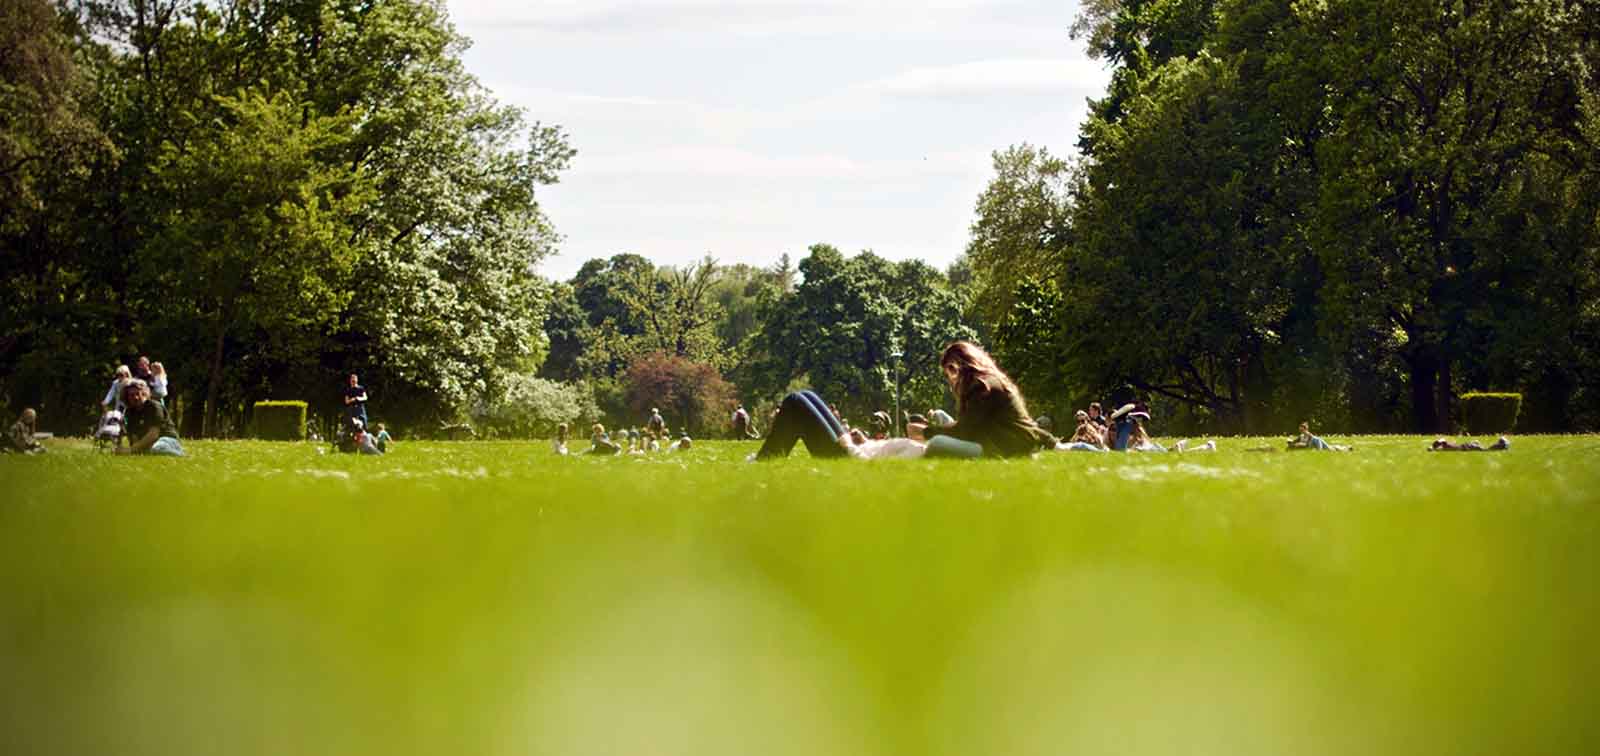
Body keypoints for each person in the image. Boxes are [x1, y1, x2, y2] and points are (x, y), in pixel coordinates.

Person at [905, 341, 1056, 459]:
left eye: (949, 374)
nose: (950, 381)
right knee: (939, 437)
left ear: (958, 368)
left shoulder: (982, 387)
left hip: (1004, 448)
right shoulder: (991, 381)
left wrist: (925, 432)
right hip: (1010, 443)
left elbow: (965, 431)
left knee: (936, 444)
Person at [752, 390, 851, 460]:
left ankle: (768, 455)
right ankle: (769, 453)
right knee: (807, 394)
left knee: (794, 400)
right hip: (853, 448)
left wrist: (852, 447)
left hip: (848, 454)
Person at [117, 379, 184, 456]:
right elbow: (134, 438)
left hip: (166, 439)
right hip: (148, 443)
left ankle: (181, 455)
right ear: (127, 397)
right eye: (131, 395)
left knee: (157, 448)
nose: (136, 397)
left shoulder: (154, 407)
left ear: (144, 393)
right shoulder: (129, 412)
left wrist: (131, 450)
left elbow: (154, 434)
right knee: (144, 451)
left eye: (138, 394)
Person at [839, 428, 927, 459]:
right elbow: (882, 450)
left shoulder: (917, 452)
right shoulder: (918, 447)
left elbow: (872, 466)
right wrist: (865, 440)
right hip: (857, 446)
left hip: (847, 451)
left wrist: (849, 445)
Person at [1429, 436, 1510, 452]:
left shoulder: (1445, 445)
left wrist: (1432, 447)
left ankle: (1503, 444)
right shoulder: (1444, 447)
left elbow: (1442, 440)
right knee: (1486, 449)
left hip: (1467, 447)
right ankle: (1502, 445)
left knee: (1486, 450)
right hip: (1467, 446)